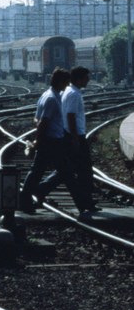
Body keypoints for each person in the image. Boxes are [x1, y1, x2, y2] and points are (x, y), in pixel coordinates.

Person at [19, 67, 86, 216]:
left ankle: (25, 200)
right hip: (52, 142)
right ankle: (82, 205)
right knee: (66, 174)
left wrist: (39, 138)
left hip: (51, 141)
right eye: (66, 82)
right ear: (61, 81)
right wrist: (37, 142)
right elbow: (43, 122)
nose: (67, 85)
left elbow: (36, 118)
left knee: (38, 172)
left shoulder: (46, 95)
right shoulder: (52, 99)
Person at [62, 65, 100, 214]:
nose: (88, 80)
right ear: (78, 79)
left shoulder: (70, 91)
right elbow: (70, 116)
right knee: (84, 171)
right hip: (75, 135)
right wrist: (75, 138)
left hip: (73, 135)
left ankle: (87, 201)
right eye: (86, 77)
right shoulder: (74, 94)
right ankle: (87, 202)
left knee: (73, 170)